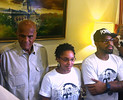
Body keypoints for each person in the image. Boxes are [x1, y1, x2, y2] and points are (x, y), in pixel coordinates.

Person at [0, 20, 48, 100]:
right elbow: (2, 87)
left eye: (30, 36)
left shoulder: (42, 51)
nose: (26, 40)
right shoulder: (5, 54)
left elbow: (46, 81)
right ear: (17, 34)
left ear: (35, 35)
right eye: (22, 36)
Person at [82, 28, 123, 100]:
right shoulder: (88, 62)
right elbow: (94, 90)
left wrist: (107, 86)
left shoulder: (117, 60)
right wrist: (116, 84)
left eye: (111, 40)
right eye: (105, 41)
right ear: (96, 43)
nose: (110, 43)